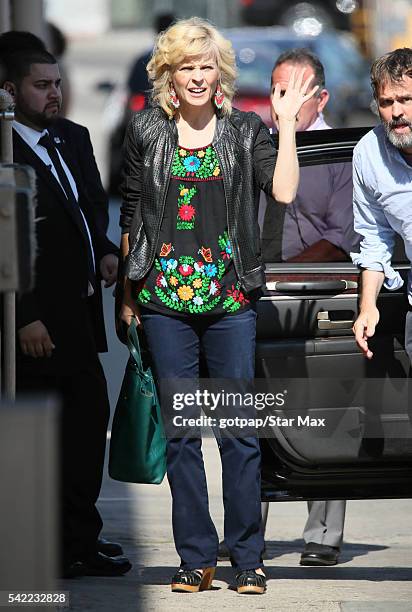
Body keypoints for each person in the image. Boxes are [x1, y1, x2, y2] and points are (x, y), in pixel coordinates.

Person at [118, 17, 317, 595]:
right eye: (187, 66)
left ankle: (249, 559)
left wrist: (283, 128)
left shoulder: (245, 130)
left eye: (207, 66)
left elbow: (281, 192)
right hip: (163, 302)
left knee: (237, 434)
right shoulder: (147, 130)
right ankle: (195, 558)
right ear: (168, 77)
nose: (198, 76)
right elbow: (131, 213)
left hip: (230, 299)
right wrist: (128, 297)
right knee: (182, 435)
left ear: (220, 73)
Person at [1, 45, 131, 578]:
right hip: (34, 321)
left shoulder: (72, 137)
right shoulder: (4, 147)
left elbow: (92, 206)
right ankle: (45, 543)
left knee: (85, 424)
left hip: (78, 314)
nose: (53, 93)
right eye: (40, 85)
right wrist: (24, 315)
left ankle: (80, 538)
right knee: (42, 436)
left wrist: (103, 250)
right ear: (8, 90)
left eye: (56, 83)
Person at [259, 49, 354, 568]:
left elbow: (339, 240)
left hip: (321, 300)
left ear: (321, 97)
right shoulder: (258, 147)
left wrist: (279, 276)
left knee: (325, 418)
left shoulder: (343, 154)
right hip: (260, 301)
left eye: (295, 92)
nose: (284, 102)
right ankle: (248, 530)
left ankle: (323, 535)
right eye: (277, 90)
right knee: (254, 416)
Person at [352, 48, 412, 363]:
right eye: (387, 103)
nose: (396, 112)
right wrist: (367, 307)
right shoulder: (369, 154)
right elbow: (374, 237)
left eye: (405, 99)